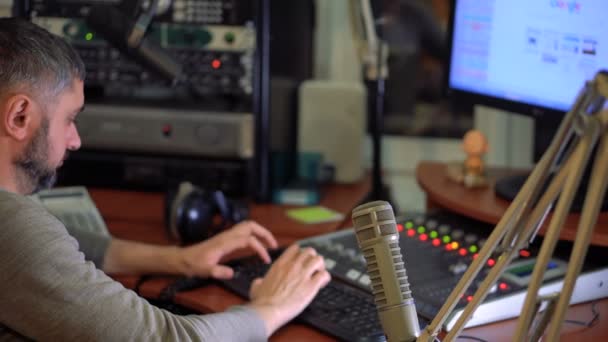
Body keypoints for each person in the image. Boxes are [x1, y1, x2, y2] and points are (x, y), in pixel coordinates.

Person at [0, 18, 330, 341]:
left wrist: (179, 259)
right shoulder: (13, 229)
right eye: (69, 119)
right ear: (20, 116)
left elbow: (59, 247)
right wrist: (270, 308)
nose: (75, 140)